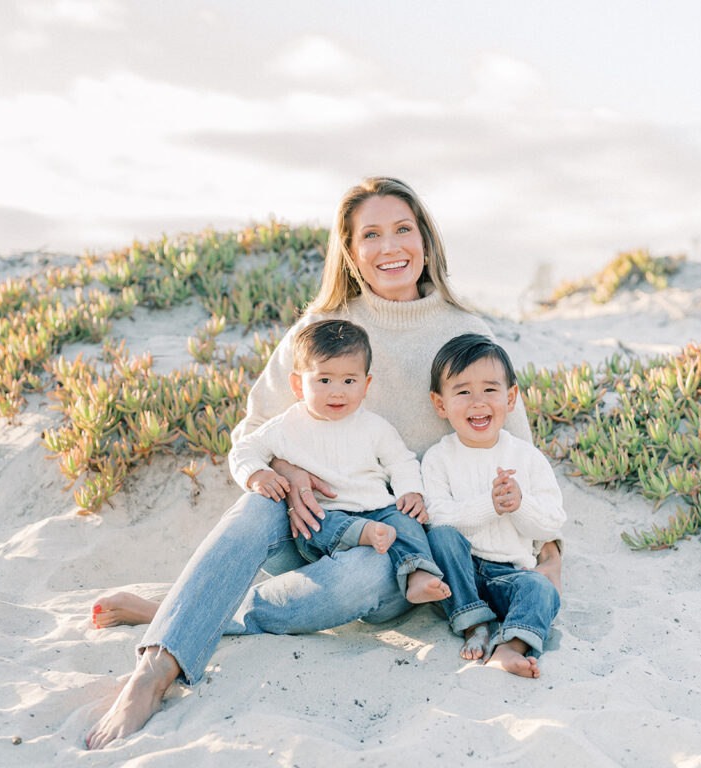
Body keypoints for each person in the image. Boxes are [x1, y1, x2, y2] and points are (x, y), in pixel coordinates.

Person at [85, 177, 563, 749]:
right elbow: (253, 432)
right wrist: (285, 474)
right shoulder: (322, 330)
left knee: (362, 573)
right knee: (254, 505)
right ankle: (155, 669)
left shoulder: (468, 336)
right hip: (306, 523)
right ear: (351, 251)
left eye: (403, 229)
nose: (391, 247)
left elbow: (520, 457)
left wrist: (549, 560)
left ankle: (191, 608)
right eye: (372, 234)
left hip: (398, 549)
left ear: (427, 242)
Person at [231, 318, 449, 603]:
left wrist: (410, 491)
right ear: (298, 385)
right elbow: (244, 450)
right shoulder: (288, 425)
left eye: (349, 381)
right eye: (324, 380)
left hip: (376, 510)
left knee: (405, 523)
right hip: (326, 513)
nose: (337, 391)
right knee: (311, 528)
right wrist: (257, 474)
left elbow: (401, 461)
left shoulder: (374, 426)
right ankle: (361, 534)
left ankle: (418, 574)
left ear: (366, 384)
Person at [422, 334, 566, 679]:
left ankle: (510, 646)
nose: (478, 402)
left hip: (510, 574)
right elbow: (438, 518)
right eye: (462, 392)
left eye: (490, 390)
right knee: (441, 538)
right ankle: (475, 623)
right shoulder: (438, 458)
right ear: (440, 404)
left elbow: (551, 523)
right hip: (460, 576)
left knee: (542, 590)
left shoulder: (527, 459)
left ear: (510, 397)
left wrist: (519, 504)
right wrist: (490, 505)